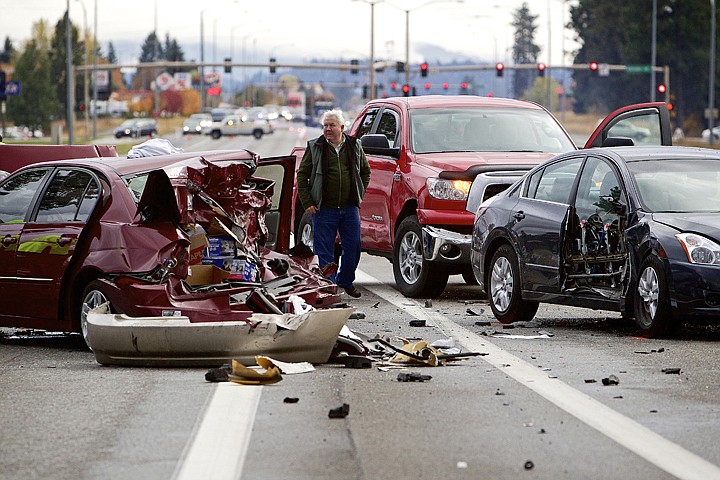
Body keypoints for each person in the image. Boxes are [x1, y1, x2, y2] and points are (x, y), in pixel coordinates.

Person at [296, 109, 371, 298]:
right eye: (325, 125)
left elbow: (365, 171)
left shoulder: (354, 145)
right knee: (324, 251)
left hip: (349, 208)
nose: (328, 129)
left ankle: (346, 281)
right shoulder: (315, 147)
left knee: (353, 247)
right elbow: (302, 175)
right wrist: (308, 202)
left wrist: (358, 194)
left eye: (332, 125)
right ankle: (329, 287)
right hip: (324, 209)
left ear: (342, 128)